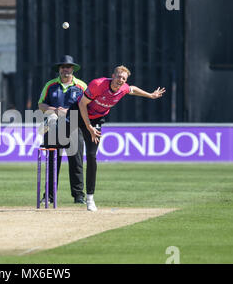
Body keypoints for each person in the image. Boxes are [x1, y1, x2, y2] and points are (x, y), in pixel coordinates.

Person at [76, 65, 166, 211]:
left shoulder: (123, 88)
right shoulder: (98, 85)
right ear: (113, 75)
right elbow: (82, 103)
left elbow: (133, 89)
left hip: (96, 120)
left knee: (92, 156)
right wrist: (88, 127)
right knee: (60, 142)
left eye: (123, 79)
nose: (120, 80)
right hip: (80, 113)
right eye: (118, 76)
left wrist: (150, 95)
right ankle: (49, 195)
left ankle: (90, 198)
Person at [38, 55, 87, 204]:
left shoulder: (81, 86)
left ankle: (78, 196)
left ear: (72, 69)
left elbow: (88, 108)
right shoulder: (50, 85)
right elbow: (41, 105)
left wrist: (69, 112)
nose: (65, 69)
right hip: (53, 128)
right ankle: (50, 196)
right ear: (59, 69)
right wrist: (54, 110)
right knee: (52, 163)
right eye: (63, 67)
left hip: (74, 127)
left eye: (68, 67)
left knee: (76, 163)